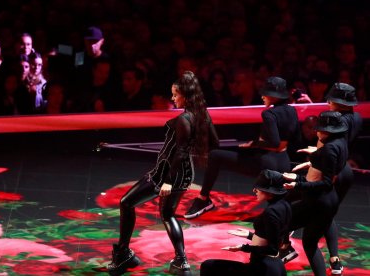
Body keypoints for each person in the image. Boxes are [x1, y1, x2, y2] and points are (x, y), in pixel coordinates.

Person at [107, 71, 219, 276]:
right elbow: (214, 143)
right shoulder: (203, 115)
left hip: (167, 173)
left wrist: (167, 181)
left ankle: (123, 254)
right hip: (185, 173)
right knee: (167, 214)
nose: (173, 98)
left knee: (126, 202)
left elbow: (181, 151)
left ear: (186, 95)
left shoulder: (184, 119)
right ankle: (181, 261)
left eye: (175, 95)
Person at [185, 76, 300, 219]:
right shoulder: (292, 111)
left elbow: (274, 143)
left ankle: (203, 199)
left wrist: (253, 144)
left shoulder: (269, 113)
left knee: (215, 155)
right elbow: (293, 139)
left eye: (265, 93)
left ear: (274, 96)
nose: (262, 96)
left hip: (267, 163)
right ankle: (284, 215)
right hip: (284, 161)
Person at [284, 83, 362, 274]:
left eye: (332, 99)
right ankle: (334, 259)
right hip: (343, 169)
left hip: (330, 169)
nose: (328, 102)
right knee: (328, 213)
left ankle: (285, 243)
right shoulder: (357, 117)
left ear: (339, 102)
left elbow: (325, 151)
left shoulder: (333, 122)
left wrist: (314, 161)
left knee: (310, 209)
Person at [281, 111, 349, 276]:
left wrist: (298, 183)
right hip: (321, 200)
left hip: (320, 201)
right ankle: (285, 248)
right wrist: (309, 164)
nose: (316, 132)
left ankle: (285, 249)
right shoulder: (339, 142)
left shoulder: (330, 148)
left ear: (328, 131)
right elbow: (325, 167)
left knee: (309, 241)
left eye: (319, 129)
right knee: (285, 219)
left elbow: (326, 183)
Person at [200, 169, 291, 276]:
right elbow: (276, 236)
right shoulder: (285, 205)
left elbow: (272, 249)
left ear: (270, 192)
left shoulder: (270, 212)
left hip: (263, 269)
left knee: (208, 266)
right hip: (273, 265)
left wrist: (243, 248)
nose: (254, 190)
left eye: (259, 188)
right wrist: (249, 235)